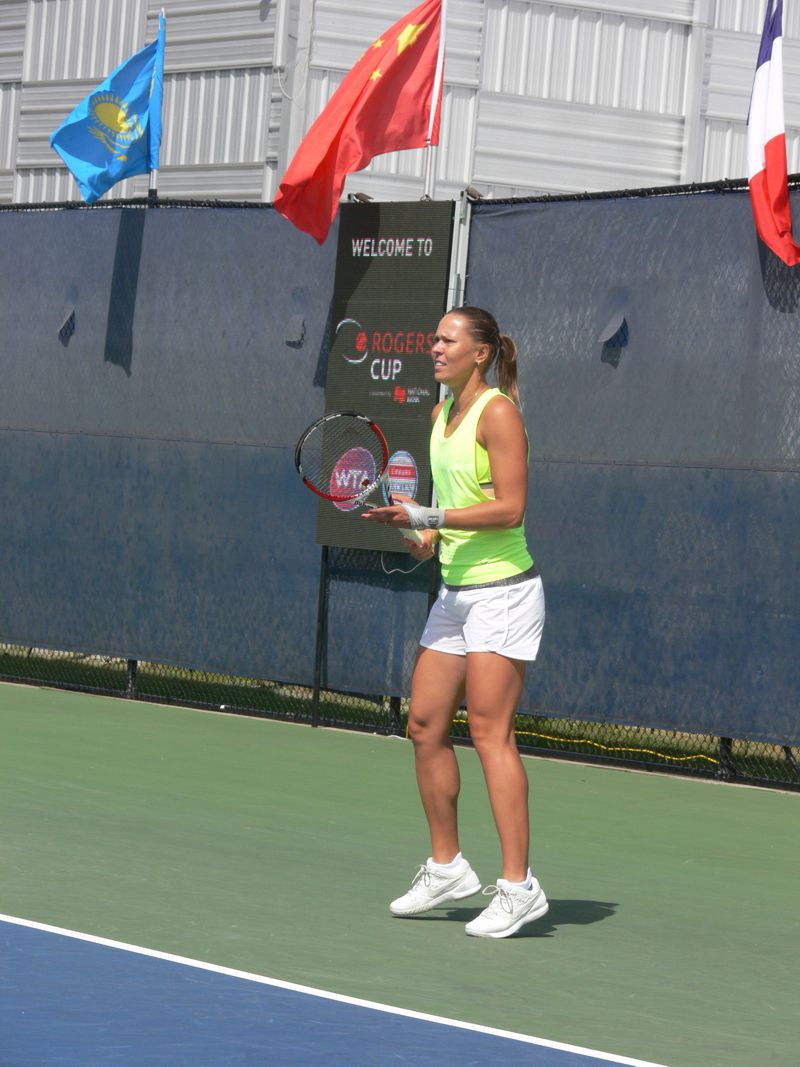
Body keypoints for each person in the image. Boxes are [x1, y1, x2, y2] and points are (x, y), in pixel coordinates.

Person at [362, 305, 547, 939]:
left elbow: (510, 508)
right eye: (434, 339)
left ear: (480, 353)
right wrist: (422, 534)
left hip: (504, 593)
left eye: (447, 340)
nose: (434, 348)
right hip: (457, 591)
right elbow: (447, 522)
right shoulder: (441, 415)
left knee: (491, 733)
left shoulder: (499, 412)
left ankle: (519, 887)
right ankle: (448, 868)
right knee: (424, 724)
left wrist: (430, 517)